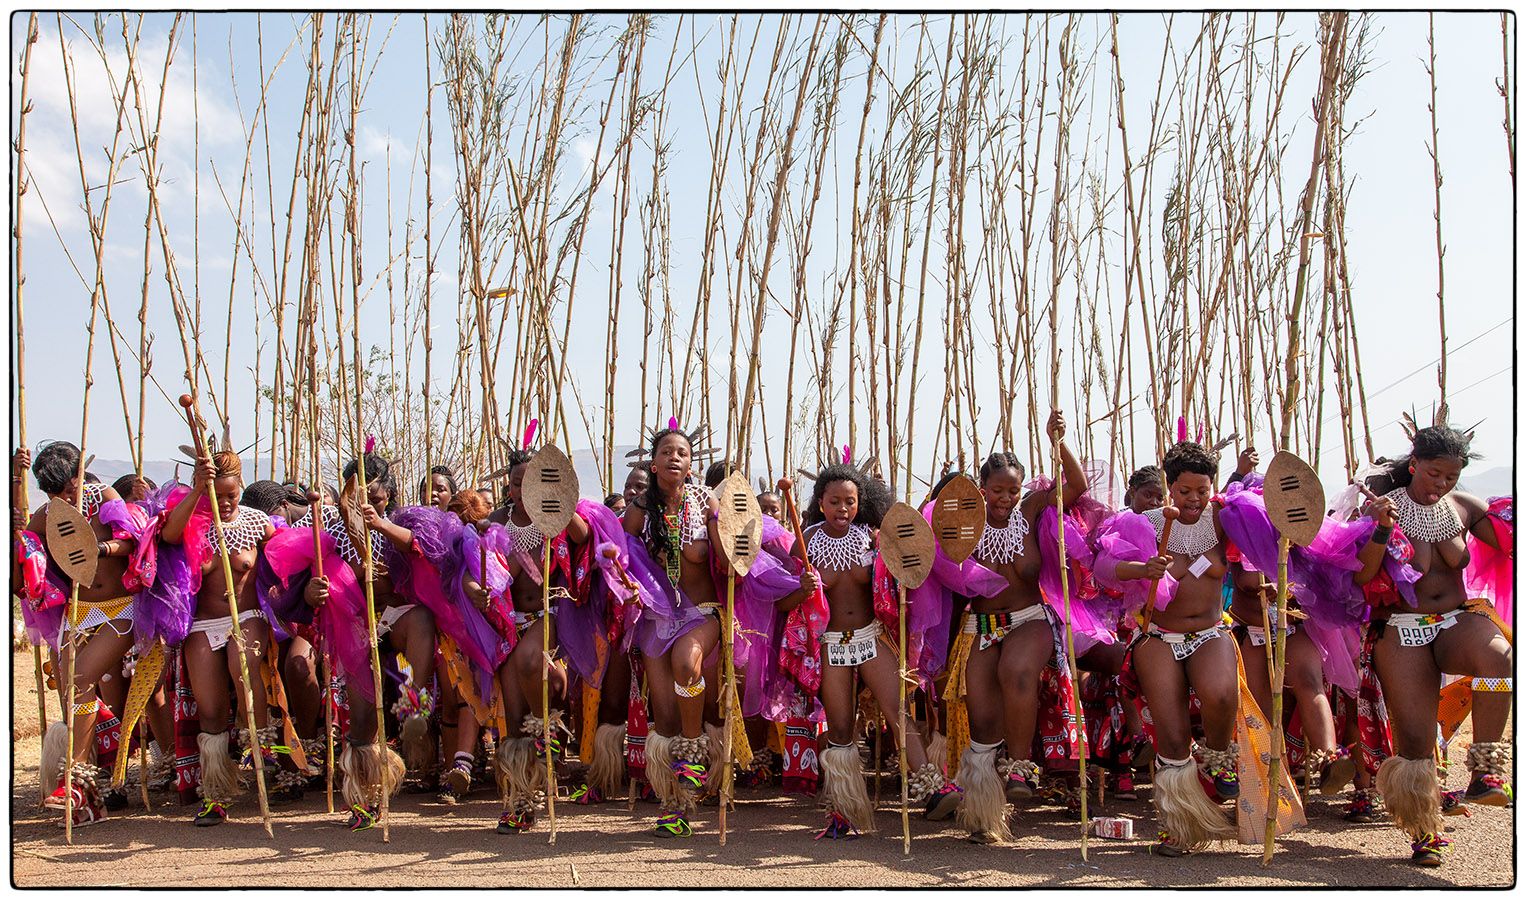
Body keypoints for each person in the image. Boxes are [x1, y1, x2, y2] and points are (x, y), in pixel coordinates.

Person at [1356, 426, 1512, 867]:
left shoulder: (1466, 507)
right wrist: (1382, 529)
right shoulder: (1380, 509)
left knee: (1499, 657)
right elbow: (1362, 577)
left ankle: (1485, 768)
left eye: (1450, 477)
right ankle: (1425, 833)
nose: (1441, 484)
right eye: (1433, 475)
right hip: (1401, 628)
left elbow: (1509, 540)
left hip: (1455, 620)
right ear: (1414, 466)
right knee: (1416, 742)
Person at [785, 460, 963, 839]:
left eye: (850, 501)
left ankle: (933, 790)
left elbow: (907, 571)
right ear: (821, 503)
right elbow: (786, 601)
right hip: (832, 644)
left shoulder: (872, 537)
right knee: (841, 729)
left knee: (898, 710)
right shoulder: (805, 543)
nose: (843, 509)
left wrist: (895, 569)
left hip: (871, 636)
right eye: (835, 502)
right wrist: (801, 588)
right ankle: (845, 806)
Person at [1094, 441, 1239, 856]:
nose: (1194, 500)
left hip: (1211, 632)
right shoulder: (1146, 523)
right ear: (1169, 487)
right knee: (1172, 737)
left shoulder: (1226, 519)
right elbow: (1105, 566)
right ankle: (1180, 825)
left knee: (1221, 693)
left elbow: (1272, 538)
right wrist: (1143, 568)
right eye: (1184, 492)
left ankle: (1217, 759)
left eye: (1202, 490)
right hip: (1158, 637)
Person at [948, 411, 1086, 843]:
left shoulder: (1031, 509)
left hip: (1031, 620)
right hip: (981, 626)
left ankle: (1022, 768)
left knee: (1018, 673)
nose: (1006, 498)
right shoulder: (962, 519)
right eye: (997, 490)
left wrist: (1058, 440)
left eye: (1013, 489)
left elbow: (1077, 487)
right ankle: (985, 815)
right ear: (982, 488)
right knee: (983, 722)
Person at [160, 449, 291, 825]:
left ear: (242, 489)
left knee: (246, 679)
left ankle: (263, 755)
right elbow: (168, 535)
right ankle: (216, 793)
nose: (227, 503)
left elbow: (289, 557)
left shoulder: (257, 523)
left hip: (247, 617)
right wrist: (198, 491)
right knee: (212, 710)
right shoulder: (191, 523)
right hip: (202, 625)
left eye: (232, 494)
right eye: (217, 496)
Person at [14, 444, 139, 828]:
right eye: (55, 493)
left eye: (68, 489)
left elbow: (134, 541)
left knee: (82, 677)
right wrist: (17, 529)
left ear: (79, 477)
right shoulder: (46, 513)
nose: (64, 498)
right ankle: (89, 799)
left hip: (122, 609)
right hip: (76, 612)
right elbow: (21, 565)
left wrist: (98, 548)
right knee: (72, 691)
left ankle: (77, 781)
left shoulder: (103, 496)